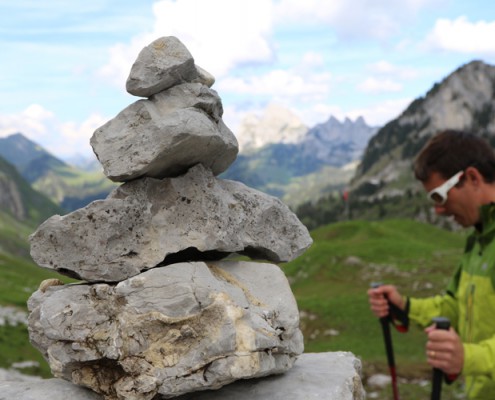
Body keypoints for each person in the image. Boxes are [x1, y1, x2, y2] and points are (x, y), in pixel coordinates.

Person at [368, 129, 495, 399]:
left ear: (471, 177)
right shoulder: (479, 240)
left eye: (439, 196)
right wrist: (405, 307)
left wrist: (468, 357)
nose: (438, 209)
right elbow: (453, 306)